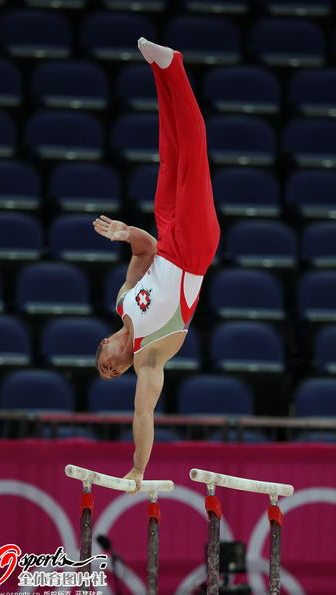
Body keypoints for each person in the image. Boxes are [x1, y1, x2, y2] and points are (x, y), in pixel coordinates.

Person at [93, 38, 220, 490]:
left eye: (105, 364)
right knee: (195, 154)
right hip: (194, 251)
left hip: (167, 242)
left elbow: (144, 252)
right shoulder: (150, 357)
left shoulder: (124, 301)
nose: (113, 369)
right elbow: (143, 413)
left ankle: (159, 71)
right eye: (113, 372)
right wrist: (138, 470)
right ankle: (176, 68)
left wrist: (127, 234)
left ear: (106, 341)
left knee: (171, 157)